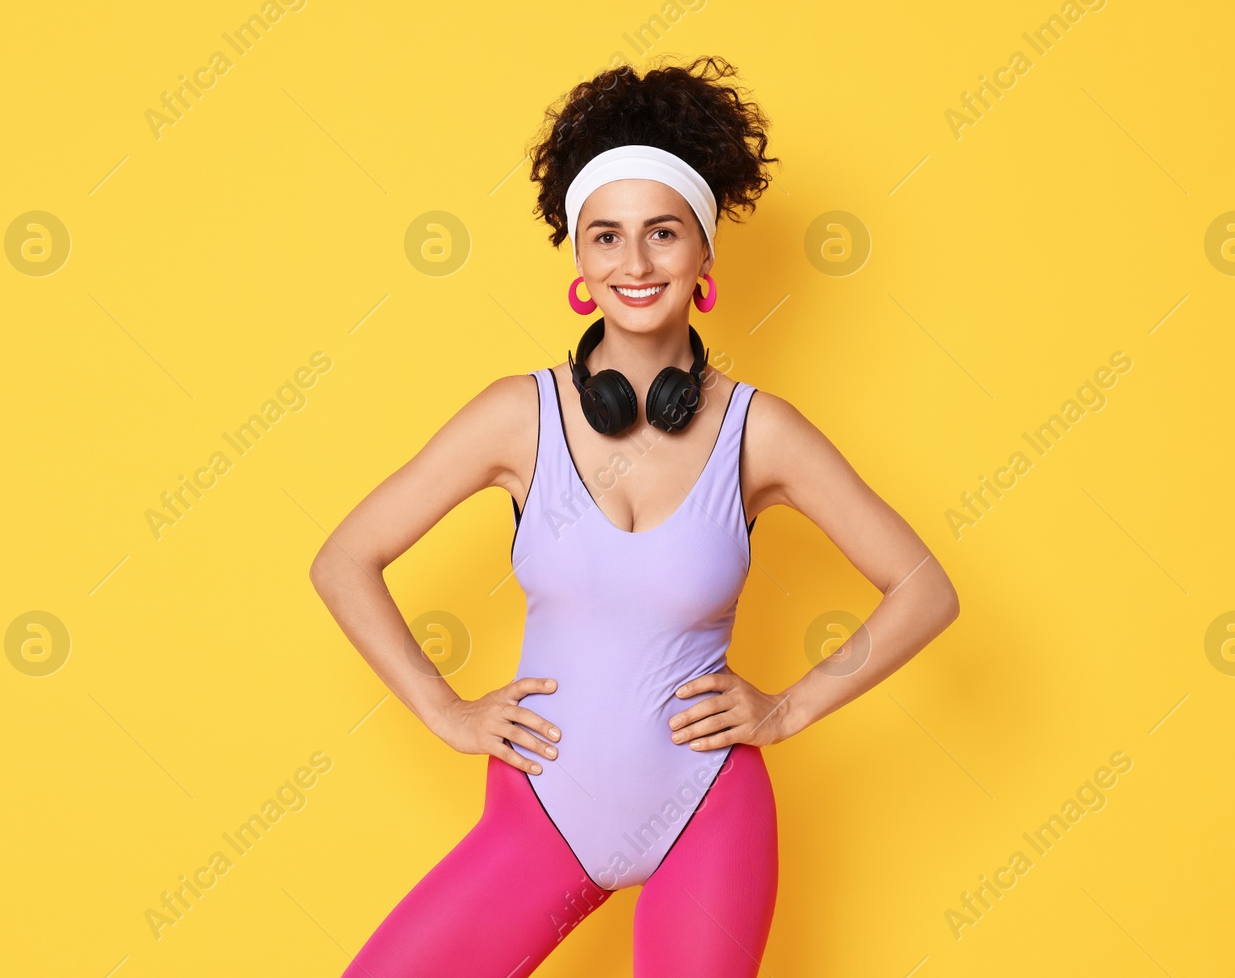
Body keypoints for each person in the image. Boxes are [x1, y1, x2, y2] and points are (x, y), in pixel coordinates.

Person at [310, 56, 960, 977]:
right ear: (579, 259)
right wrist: (445, 710)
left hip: (709, 812)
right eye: (607, 237)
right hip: (544, 811)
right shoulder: (515, 416)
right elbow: (344, 558)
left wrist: (789, 706)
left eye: (662, 232)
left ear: (703, 254)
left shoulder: (758, 431)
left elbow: (925, 588)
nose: (635, 262)